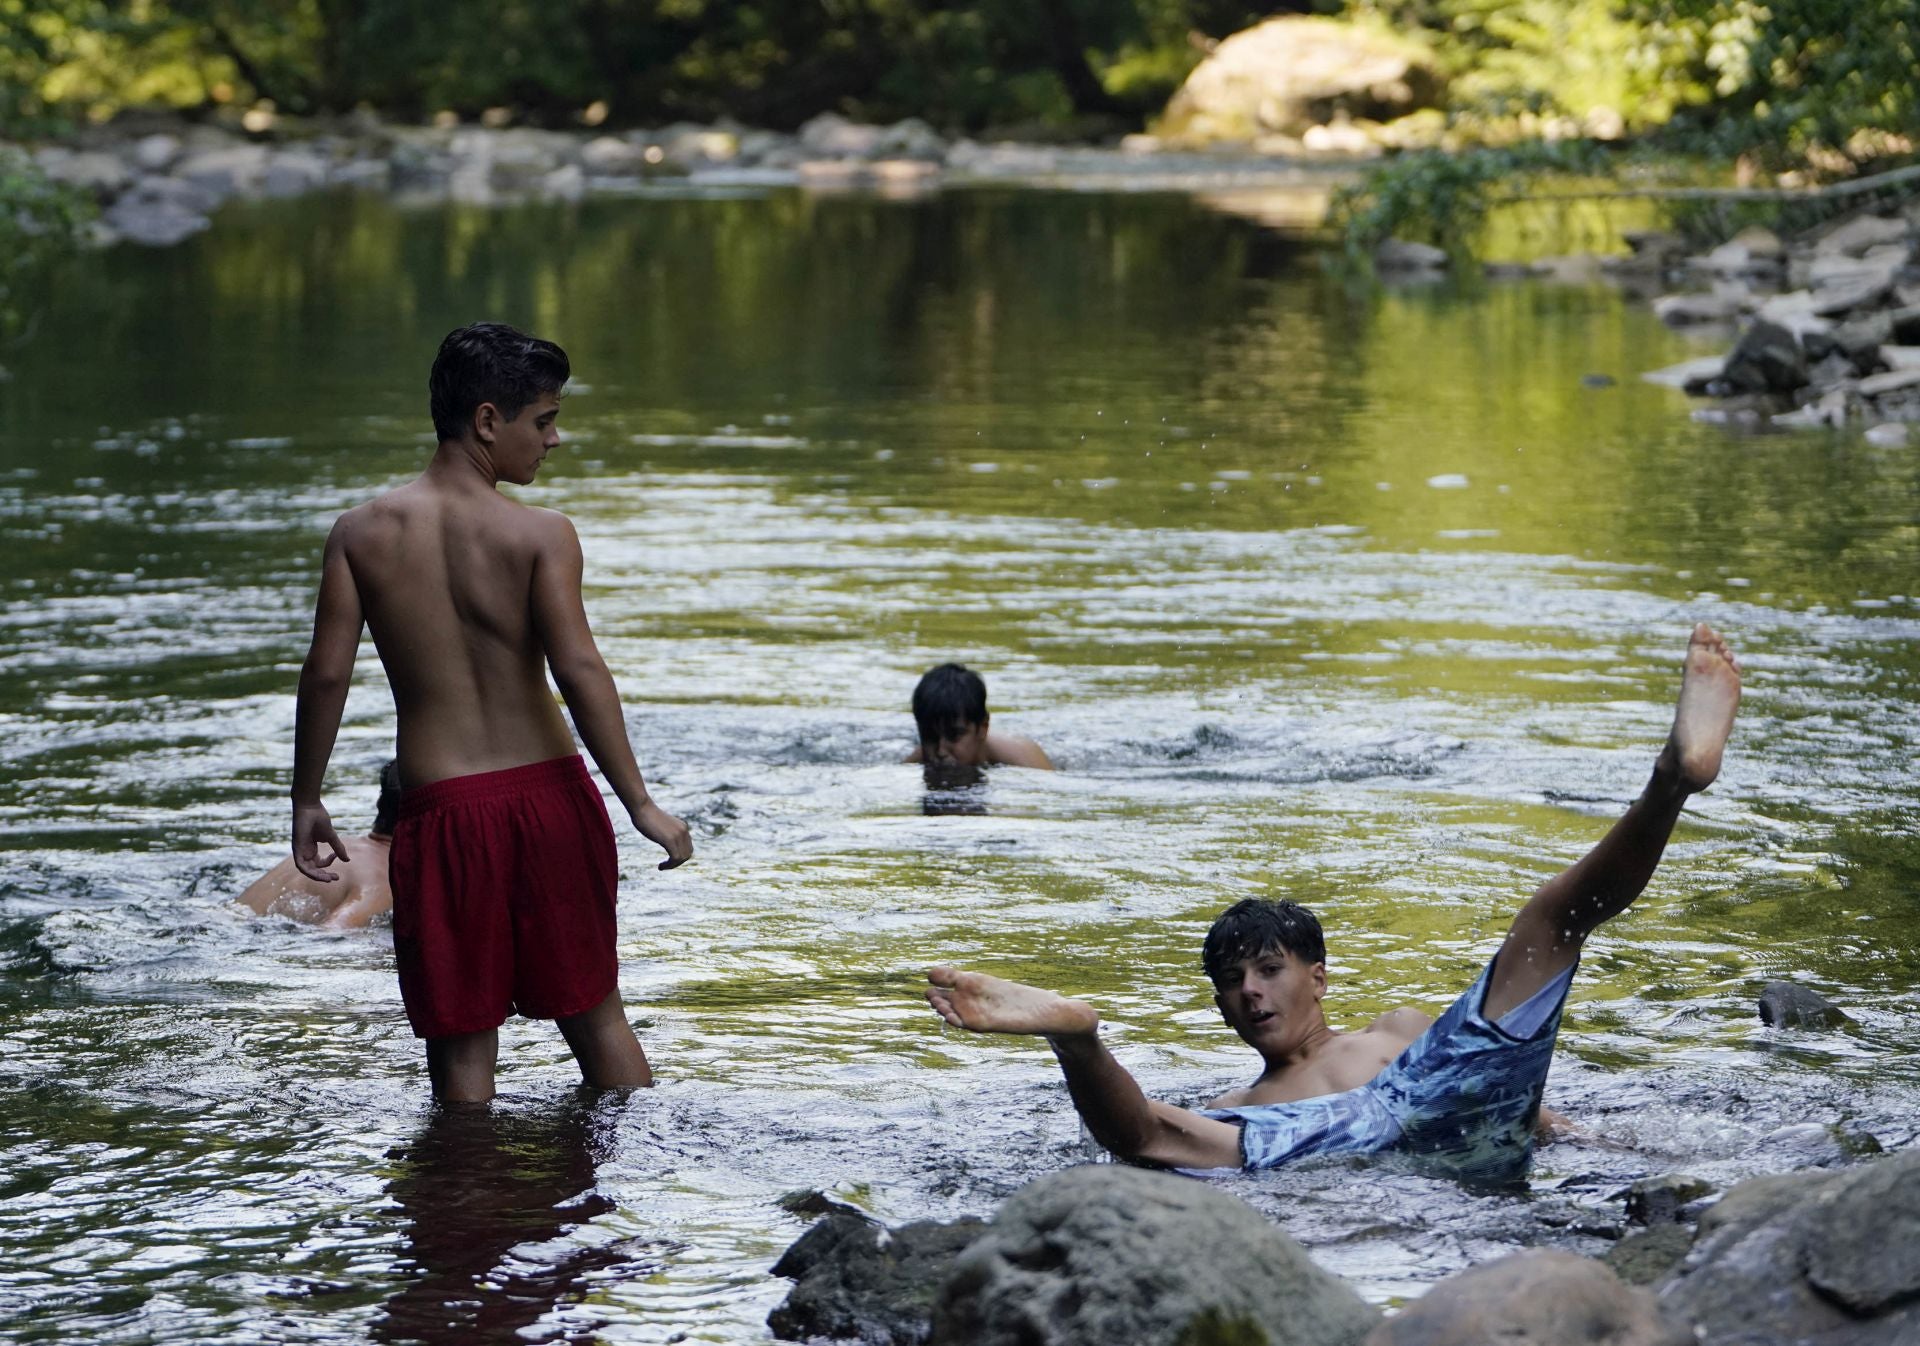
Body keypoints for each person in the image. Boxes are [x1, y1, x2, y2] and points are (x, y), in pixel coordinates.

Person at [925, 624, 1741, 1181]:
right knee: (1153, 1138)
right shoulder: (1242, 1107)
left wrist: (1606, 1148)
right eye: (1234, 982)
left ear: (1318, 976)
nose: (1251, 990)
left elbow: (1524, 1105)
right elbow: (1141, 1132)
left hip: (1422, 1097)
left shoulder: (1404, 1032)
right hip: (1323, 1138)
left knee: (1549, 923)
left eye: (1270, 968)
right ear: (1222, 1011)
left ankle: (1672, 781)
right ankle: (1078, 1037)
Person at [290, 321, 692, 1103]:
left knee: (461, 1056)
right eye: (543, 420)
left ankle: (468, 1212)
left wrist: (307, 796)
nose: (556, 438)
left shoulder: (360, 535)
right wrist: (639, 802)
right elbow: (579, 669)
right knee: (597, 1020)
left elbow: (326, 675)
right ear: (486, 420)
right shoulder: (540, 535)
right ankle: (623, 1203)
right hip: (549, 803)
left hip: (441, 815)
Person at [240, 760, 401, 929]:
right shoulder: (385, 879)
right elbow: (332, 933)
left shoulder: (331, 848)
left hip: (228, 918)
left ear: (380, 804)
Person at [906, 663, 1054, 771]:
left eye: (954, 735)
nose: (940, 751)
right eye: (929, 736)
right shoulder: (917, 760)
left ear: (983, 727)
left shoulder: (1025, 761)